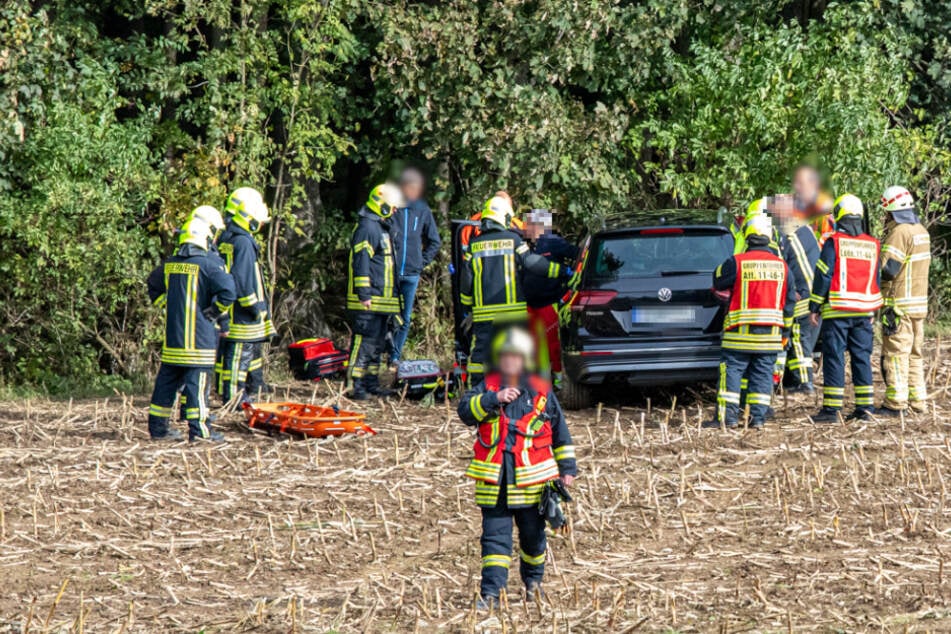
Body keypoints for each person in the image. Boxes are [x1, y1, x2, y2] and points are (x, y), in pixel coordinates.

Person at [458, 327, 577, 607]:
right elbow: (464, 412)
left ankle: (533, 584)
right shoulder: (487, 388)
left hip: (533, 487)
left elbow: (560, 433)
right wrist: (493, 400)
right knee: (494, 544)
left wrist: (568, 468)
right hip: (495, 486)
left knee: (533, 541)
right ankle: (491, 595)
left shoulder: (542, 393)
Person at [459, 195, 571, 384]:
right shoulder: (513, 240)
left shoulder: (474, 245)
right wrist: (560, 271)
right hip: (511, 312)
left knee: (480, 355)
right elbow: (532, 263)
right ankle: (515, 391)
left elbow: (466, 280)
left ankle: (477, 389)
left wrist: (466, 307)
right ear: (504, 217)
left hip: (483, 314)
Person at [146, 218, 236, 441]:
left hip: (173, 344)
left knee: (165, 388)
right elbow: (229, 292)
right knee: (197, 390)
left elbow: (153, 283)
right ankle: (201, 432)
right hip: (199, 344)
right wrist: (215, 311)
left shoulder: (170, 264)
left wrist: (164, 304)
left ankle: (158, 430)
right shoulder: (209, 265)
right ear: (205, 239)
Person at [706, 215, 796, 429]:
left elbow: (717, 278)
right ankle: (757, 419)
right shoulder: (783, 267)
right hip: (770, 337)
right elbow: (790, 303)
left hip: (739, 335)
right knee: (762, 375)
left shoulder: (736, 263)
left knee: (732, 374)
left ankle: (727, 419)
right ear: (769, 237)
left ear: (747, 236)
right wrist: (786, 333)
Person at [809, 194, 883, 422]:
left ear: (840, 215)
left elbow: (823, 274)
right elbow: (875, 279)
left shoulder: (835, 242)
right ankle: (866, 408)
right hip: (864, 312)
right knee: (862, 357)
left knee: (835, 358)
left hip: (838, 310)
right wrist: (873, 310)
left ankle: (832, 410)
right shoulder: (873, 244)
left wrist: (815, 305)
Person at [215, 187, 274, 404]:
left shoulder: (226, 237)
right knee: (239, 356)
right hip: (242, 312)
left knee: (236, 354)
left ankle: (244, 387)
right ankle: (234, 397)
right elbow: (243, 278)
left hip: (230, 309)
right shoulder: (244, 242)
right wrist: (254, 306)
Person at [346, 184, 404, 400]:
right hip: (368, 300)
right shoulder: (367, 228)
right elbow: (361, 262)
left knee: (376, 345)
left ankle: (370, 383)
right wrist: (364, 293)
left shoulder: (380, 227)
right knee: (362, 344)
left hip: (381, 300)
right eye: (393, 206)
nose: (395, 210)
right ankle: (354, 385)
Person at [879, 186, 931, 416]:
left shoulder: (900, 232)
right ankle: (918, 402)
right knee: (915, 355)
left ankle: (896, 404)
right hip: (919, 305)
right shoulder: (921, 230)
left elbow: (889, 269)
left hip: (898, 306)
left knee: (896, 355)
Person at [388, 168, 442, 364]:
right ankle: (381, 352)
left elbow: (434, 241)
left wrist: (421, 262)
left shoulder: (422, 209)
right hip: (390, 274)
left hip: (411, 273)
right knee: (386, 316)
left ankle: (395, 356)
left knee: (405, 318)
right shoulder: (392, 207)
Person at [522, 209, 578, 379]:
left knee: (552, 343)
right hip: (529, 304)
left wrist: (569, 274)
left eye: (529, 224)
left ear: (540, 225)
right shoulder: (525, 246)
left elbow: (578, 254)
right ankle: (541, 380)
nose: (525, 228)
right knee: (533, 344)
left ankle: (559, 378)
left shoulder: (553, 242)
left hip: (549, 302)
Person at [774, 194, 822, 393]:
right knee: (804, 339)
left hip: (803, 292)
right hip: (816, 290)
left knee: (798, 338)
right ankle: (796, 380)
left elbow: (780, 265)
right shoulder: (805, 229)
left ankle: (804, 383)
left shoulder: (787, 233)